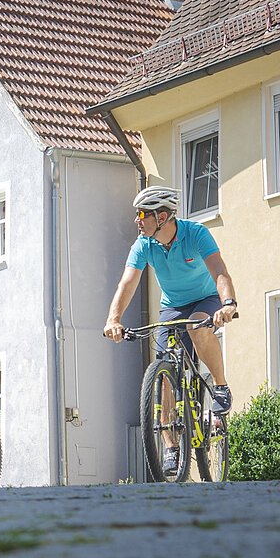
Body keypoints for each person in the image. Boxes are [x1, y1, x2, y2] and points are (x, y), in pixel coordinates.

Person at [102, 185, 238, 477]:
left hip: (206, 298)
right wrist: (113, 319)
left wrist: (227, 303)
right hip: (172, 306)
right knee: (163, 376)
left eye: (142, 214)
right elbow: (127, 284)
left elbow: (220, 271)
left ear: (162, 216)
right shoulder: (143, 244)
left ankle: (221, 386)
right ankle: (171, 448)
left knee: (196, 328)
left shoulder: (196, 234)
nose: (137, 220)